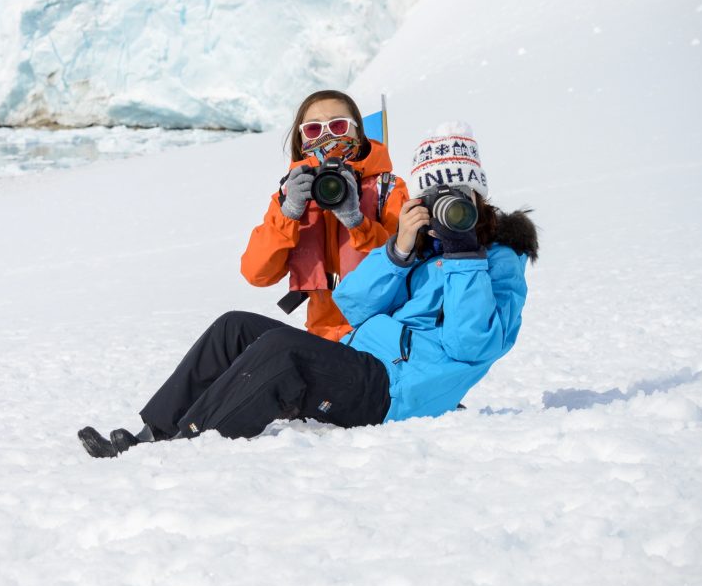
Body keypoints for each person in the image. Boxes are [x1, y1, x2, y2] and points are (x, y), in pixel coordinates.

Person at [79, 122, 537, 457]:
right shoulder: (418, 246)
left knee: (284, 351)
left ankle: (187, 447)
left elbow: (471, 346)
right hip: (366, 362)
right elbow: (353, 305)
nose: (447, 211)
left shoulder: (498, 261)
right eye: (434, 199)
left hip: (399, 396)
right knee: (234, 327)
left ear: (479, 199)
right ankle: (153, 433)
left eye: (459, 199)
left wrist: (463, 257)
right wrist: (398, 251)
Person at [241, 90, 409, 341]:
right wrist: (289, 214)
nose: (326, 136)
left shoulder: (388, 190)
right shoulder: (291, 195)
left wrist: (357, 221)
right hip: (323, 336)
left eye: (338, 126)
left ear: (358, 132)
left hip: (381, 332)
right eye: (313, 130)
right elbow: (257, 273)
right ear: (302, 138)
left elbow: (404, 264)